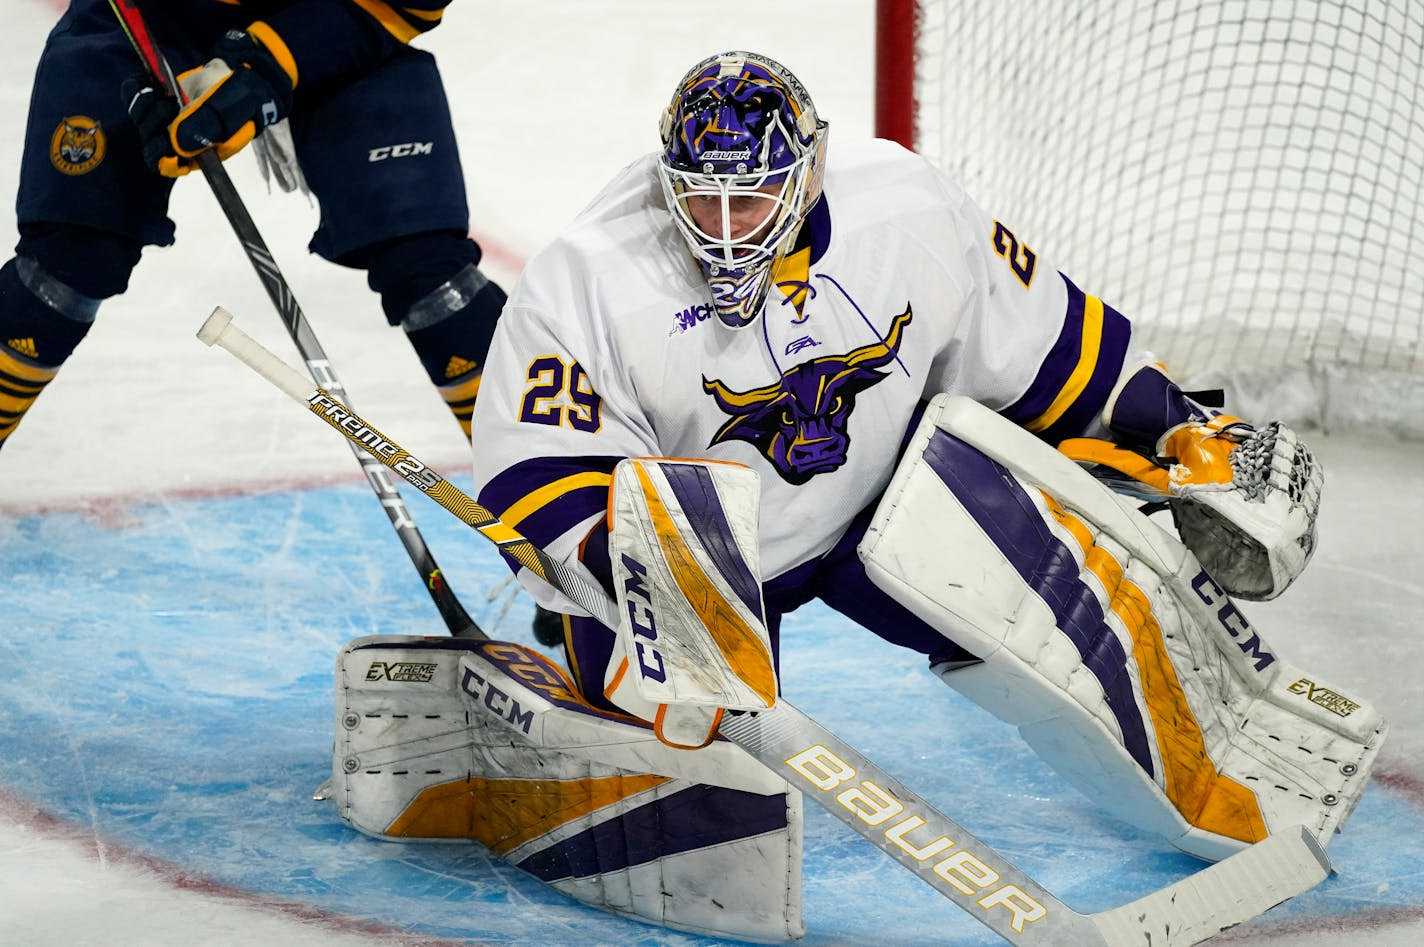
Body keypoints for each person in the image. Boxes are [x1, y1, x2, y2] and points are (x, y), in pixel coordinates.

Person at [466, 51, 1383, 862]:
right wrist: (628, 578)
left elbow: (1046, 344)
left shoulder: (903, 204)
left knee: (1085, 632)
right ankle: (591, 711)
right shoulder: (589, 276)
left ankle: (1225, 767)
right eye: (700, 197)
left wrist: (1177, 424)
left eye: (750, 197)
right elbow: (540, 473)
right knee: (693, 811)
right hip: (699, 561)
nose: (725, 227)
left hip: (882, 500)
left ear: (811, 169)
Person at [0, 0, 505, 454]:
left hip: (335, 14)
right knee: (67, 259)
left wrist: (262, 67)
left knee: (430, 269)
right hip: (150, 15)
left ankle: (560, 497)